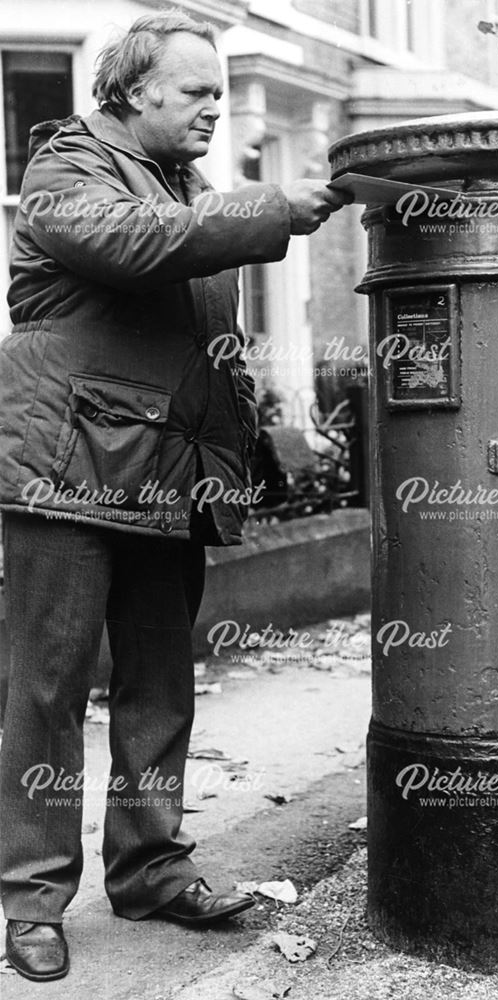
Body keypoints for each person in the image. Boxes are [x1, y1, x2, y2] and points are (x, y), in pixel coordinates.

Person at [0, 10, 350, 983]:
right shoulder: (66, 171)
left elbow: (203, 355)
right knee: (45, 687)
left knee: (160, 688)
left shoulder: (185, 189)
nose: (214, 108)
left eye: (219, 93)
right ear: (131, 90)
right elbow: (140, 244)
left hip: (164, 479)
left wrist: (238, 464)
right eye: (196, 91)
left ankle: (150, 866)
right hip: (63, 472)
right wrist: (272, 206)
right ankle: (31, 896)